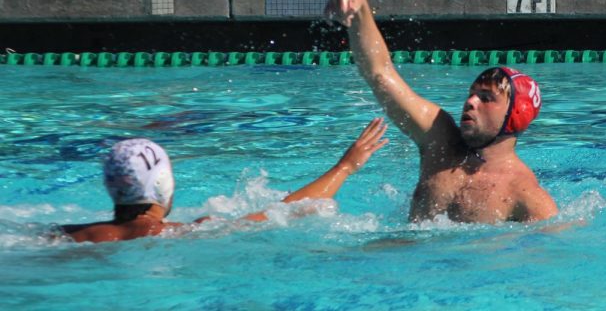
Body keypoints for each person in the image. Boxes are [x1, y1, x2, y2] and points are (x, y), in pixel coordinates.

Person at [325, 0, 558, 223]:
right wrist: (361, 10)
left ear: (515, 116)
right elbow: (380, 74)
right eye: (471, 94)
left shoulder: (526, 196)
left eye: (486, 98)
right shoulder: (441, 140)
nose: (470, 102)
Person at [60, 118, 387, 243]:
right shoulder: (181, 233)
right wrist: (345, 168)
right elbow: (284, 211)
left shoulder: (67, 234)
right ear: (163, 185)